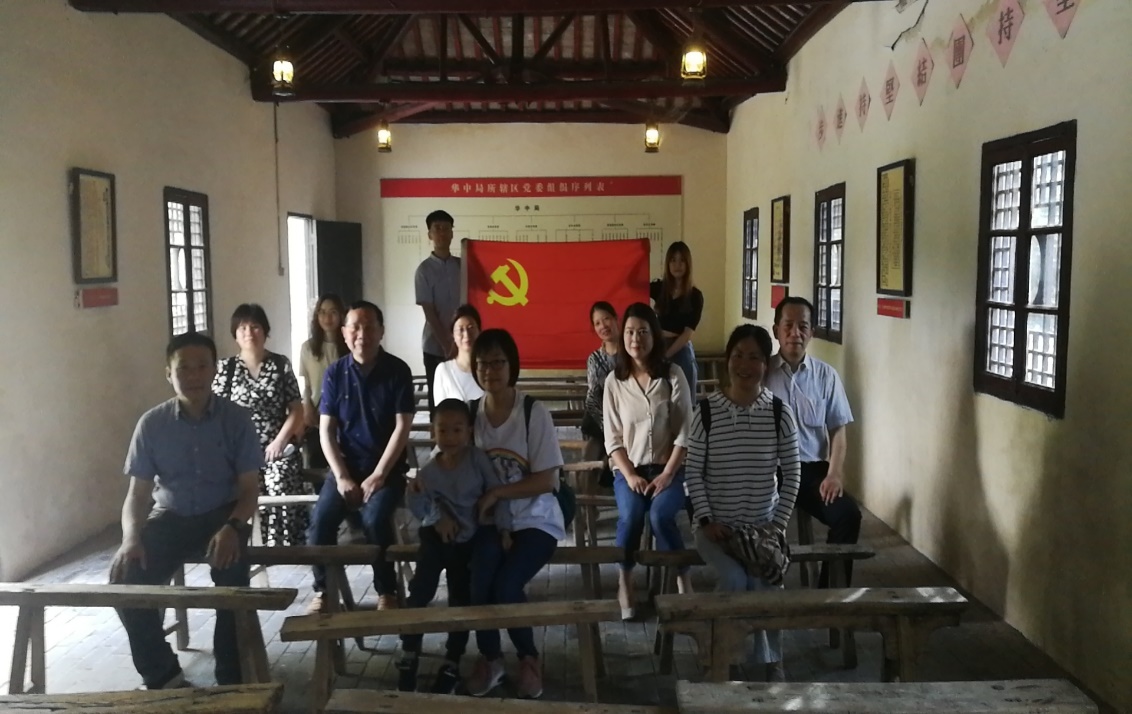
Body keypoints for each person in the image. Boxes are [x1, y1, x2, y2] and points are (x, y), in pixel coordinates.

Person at [110, 332, 262, 690]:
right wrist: (131, 538)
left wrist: (233, 526)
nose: (194, 375)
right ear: (169, 373)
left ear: (214, 370)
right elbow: (137, 495)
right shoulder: (152, 424)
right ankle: (163, 675)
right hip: (172, 515)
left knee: (232, 587)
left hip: (223, 514)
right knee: (124, 578)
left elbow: (249, 490)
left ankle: (231, 682)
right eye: (184, 368)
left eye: (202, 366)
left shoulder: (236, 419)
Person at [685, 324, 801, 682]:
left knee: (767, 583)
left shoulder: (779, 412)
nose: (744, 365)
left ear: (766, 364)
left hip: (762, 529)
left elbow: (793, 474)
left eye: (754, 357)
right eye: (738, 356)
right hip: (716, 530)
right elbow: (693, 473)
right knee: (735, 579)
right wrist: (707, 520)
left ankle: (771, 661)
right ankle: (727, 656)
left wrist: (776, 526)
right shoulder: (706, 412)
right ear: (727, 360)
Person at [464, 329, 564, 700]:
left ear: (512, 366)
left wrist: (497, 492)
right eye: (482, 363)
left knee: (507, 586)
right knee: (480, 582)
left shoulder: (532, 412)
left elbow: (547, 480)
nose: (489, 370)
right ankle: (491, 658)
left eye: (497, 362)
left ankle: (528, 658)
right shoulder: (471, 413)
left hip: (537, 519)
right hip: (491, 520)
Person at [397, 398, 511, 695]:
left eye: (457, 430)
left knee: (460, 597)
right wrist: (437, 518)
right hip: (436, 539)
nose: (450, 437)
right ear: (433, 432)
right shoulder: (428, 471)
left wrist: (504, 529)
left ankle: (452, 659)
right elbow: (416, 502)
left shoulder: (477, 460)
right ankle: (409, 651)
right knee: (421, 590)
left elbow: (496, 492)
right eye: (442, 430)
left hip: (467, 541)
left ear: (469, 431)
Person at [307, 300, 414, 613]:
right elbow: (326, 432)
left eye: (369, 327)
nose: (362, 334)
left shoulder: (398, 371)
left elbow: (402, 428)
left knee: (375, 519)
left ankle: (386, 591)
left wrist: (379, 475)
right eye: (355, 327)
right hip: (346, 467)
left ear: (381, 332)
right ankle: (324, 592)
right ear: (344, 332)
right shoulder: (335, 373)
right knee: (321, 522)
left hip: (387, 470)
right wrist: (341, 476)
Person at [603, 302, 693, 619]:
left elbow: (685, 433)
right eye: (630, 332)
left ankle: (682, 577)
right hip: (629, 470)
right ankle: (625, 580)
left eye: (643, 332)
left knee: (660, 516)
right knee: (630, 516)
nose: (635, 339)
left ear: (654, 336)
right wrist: (629, 475)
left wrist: (668, 474)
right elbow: (612, 439)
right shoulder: (614, 381)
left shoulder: (673, 375)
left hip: (669, 469)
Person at [764, 296, 862, 586]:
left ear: (812, 333)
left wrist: (834, 474)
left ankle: (830, 593)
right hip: (769, 472)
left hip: (811, 473)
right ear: (776, 330)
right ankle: (758, 589)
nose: (795, 333)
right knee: (749, 517)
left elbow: (838, 432)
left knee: (848, 515)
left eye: (803, 326)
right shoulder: (762, 374)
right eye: (788, 325)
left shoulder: (826, 376)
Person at [213, 303, 305, 546]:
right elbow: (217, 413)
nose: (249, 333)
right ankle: (245, 544)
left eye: (255, 327)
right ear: (235, 334)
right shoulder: (226, 369)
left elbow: (296, 409)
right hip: (239, 450)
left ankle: (281, 546)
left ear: (265, 331)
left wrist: (279, 441)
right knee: (241, 487)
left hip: (276, 446)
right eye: (242, 328)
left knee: (280, 481)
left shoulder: (280, 364)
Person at [415, 209, 461, 415]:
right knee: (439, 402)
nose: (442, 233)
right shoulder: (424, 270)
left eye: (446, 228)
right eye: (437, 228)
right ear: (430, 234)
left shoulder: (462, 265)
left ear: (452, 233)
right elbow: (429, 312)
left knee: (462, 399)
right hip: (435, 348)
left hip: (462, 346)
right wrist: (447, 345)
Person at [298, 294, 347, 469]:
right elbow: (307, 384)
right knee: (317, 463)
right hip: (317, 415)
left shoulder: (350, 346)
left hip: (345, 416)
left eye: (333, 312)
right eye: (322, 312)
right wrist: (307, 406)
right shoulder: (307, 348)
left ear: (341, 315)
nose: (327, 318)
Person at [650, 241, 704, 397]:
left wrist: (667, 355)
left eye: (682, 260)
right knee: (658, 396)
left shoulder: (695, 296)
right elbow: (631, 284)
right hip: (659, 343)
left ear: (688, 264)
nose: (677, 265)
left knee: (684, 397)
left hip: (681, 347)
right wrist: (639, 252)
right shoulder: (659, 288)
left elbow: (687, 333)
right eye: (673, 260)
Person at [581, 301, 619, 467]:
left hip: (630, 417)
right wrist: (608, 426)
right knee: (590, 458)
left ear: (616, 319)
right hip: (602, 420)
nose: (603, 326)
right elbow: (592, 398)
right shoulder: (594, 359)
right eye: (597, 323)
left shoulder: (632, 352)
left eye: (606, 319)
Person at [431, 304, 485, 404]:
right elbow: (440, 410)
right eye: (460, 330)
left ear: (479, 331)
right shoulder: (444, 370)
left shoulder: (487, 369)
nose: (466, 335)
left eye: (471, 328)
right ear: (453, 335)